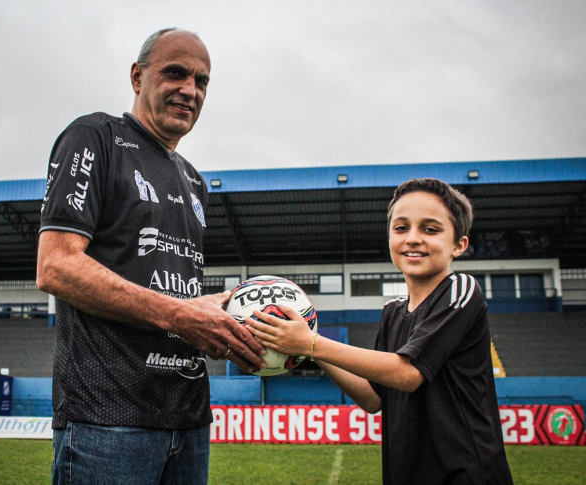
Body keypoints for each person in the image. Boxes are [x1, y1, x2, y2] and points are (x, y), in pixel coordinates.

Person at [36, 27, 267, 485]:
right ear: (138, 76)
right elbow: (56, 265)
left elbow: (173, 290)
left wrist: (233, 323)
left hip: (189, 420)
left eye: (202, 81)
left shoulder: (194, 180)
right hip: (108, 419)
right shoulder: (95, 137)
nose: (190, 90)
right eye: (176, 74)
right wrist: (182, 315)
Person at [248, 178, 513, 485]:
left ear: (459, 245)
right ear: (389, 238)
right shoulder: (393, 312)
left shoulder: (461, 290)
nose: (413, 238)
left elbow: (408, 374)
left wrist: (311, 343)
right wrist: (309, 349)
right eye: (401, 228)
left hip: (465, 475)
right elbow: (374, 398)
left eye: (430, 229)